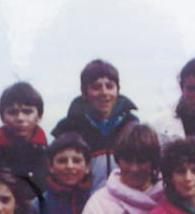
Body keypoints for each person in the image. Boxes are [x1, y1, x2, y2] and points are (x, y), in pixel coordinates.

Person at [52, 59, 139, 192]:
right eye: (96, 87)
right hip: (83, 202)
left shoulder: (131, 126)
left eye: (109, 86)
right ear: (84, 92)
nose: (104, 92)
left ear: (118, 90)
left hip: (125, 201)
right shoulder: (68, 128)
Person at [0, 81, 48, 198]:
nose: (20, 118)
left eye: (27, 111)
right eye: (12, 112)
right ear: (2, 117)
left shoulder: (50, 155)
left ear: (39, 116)